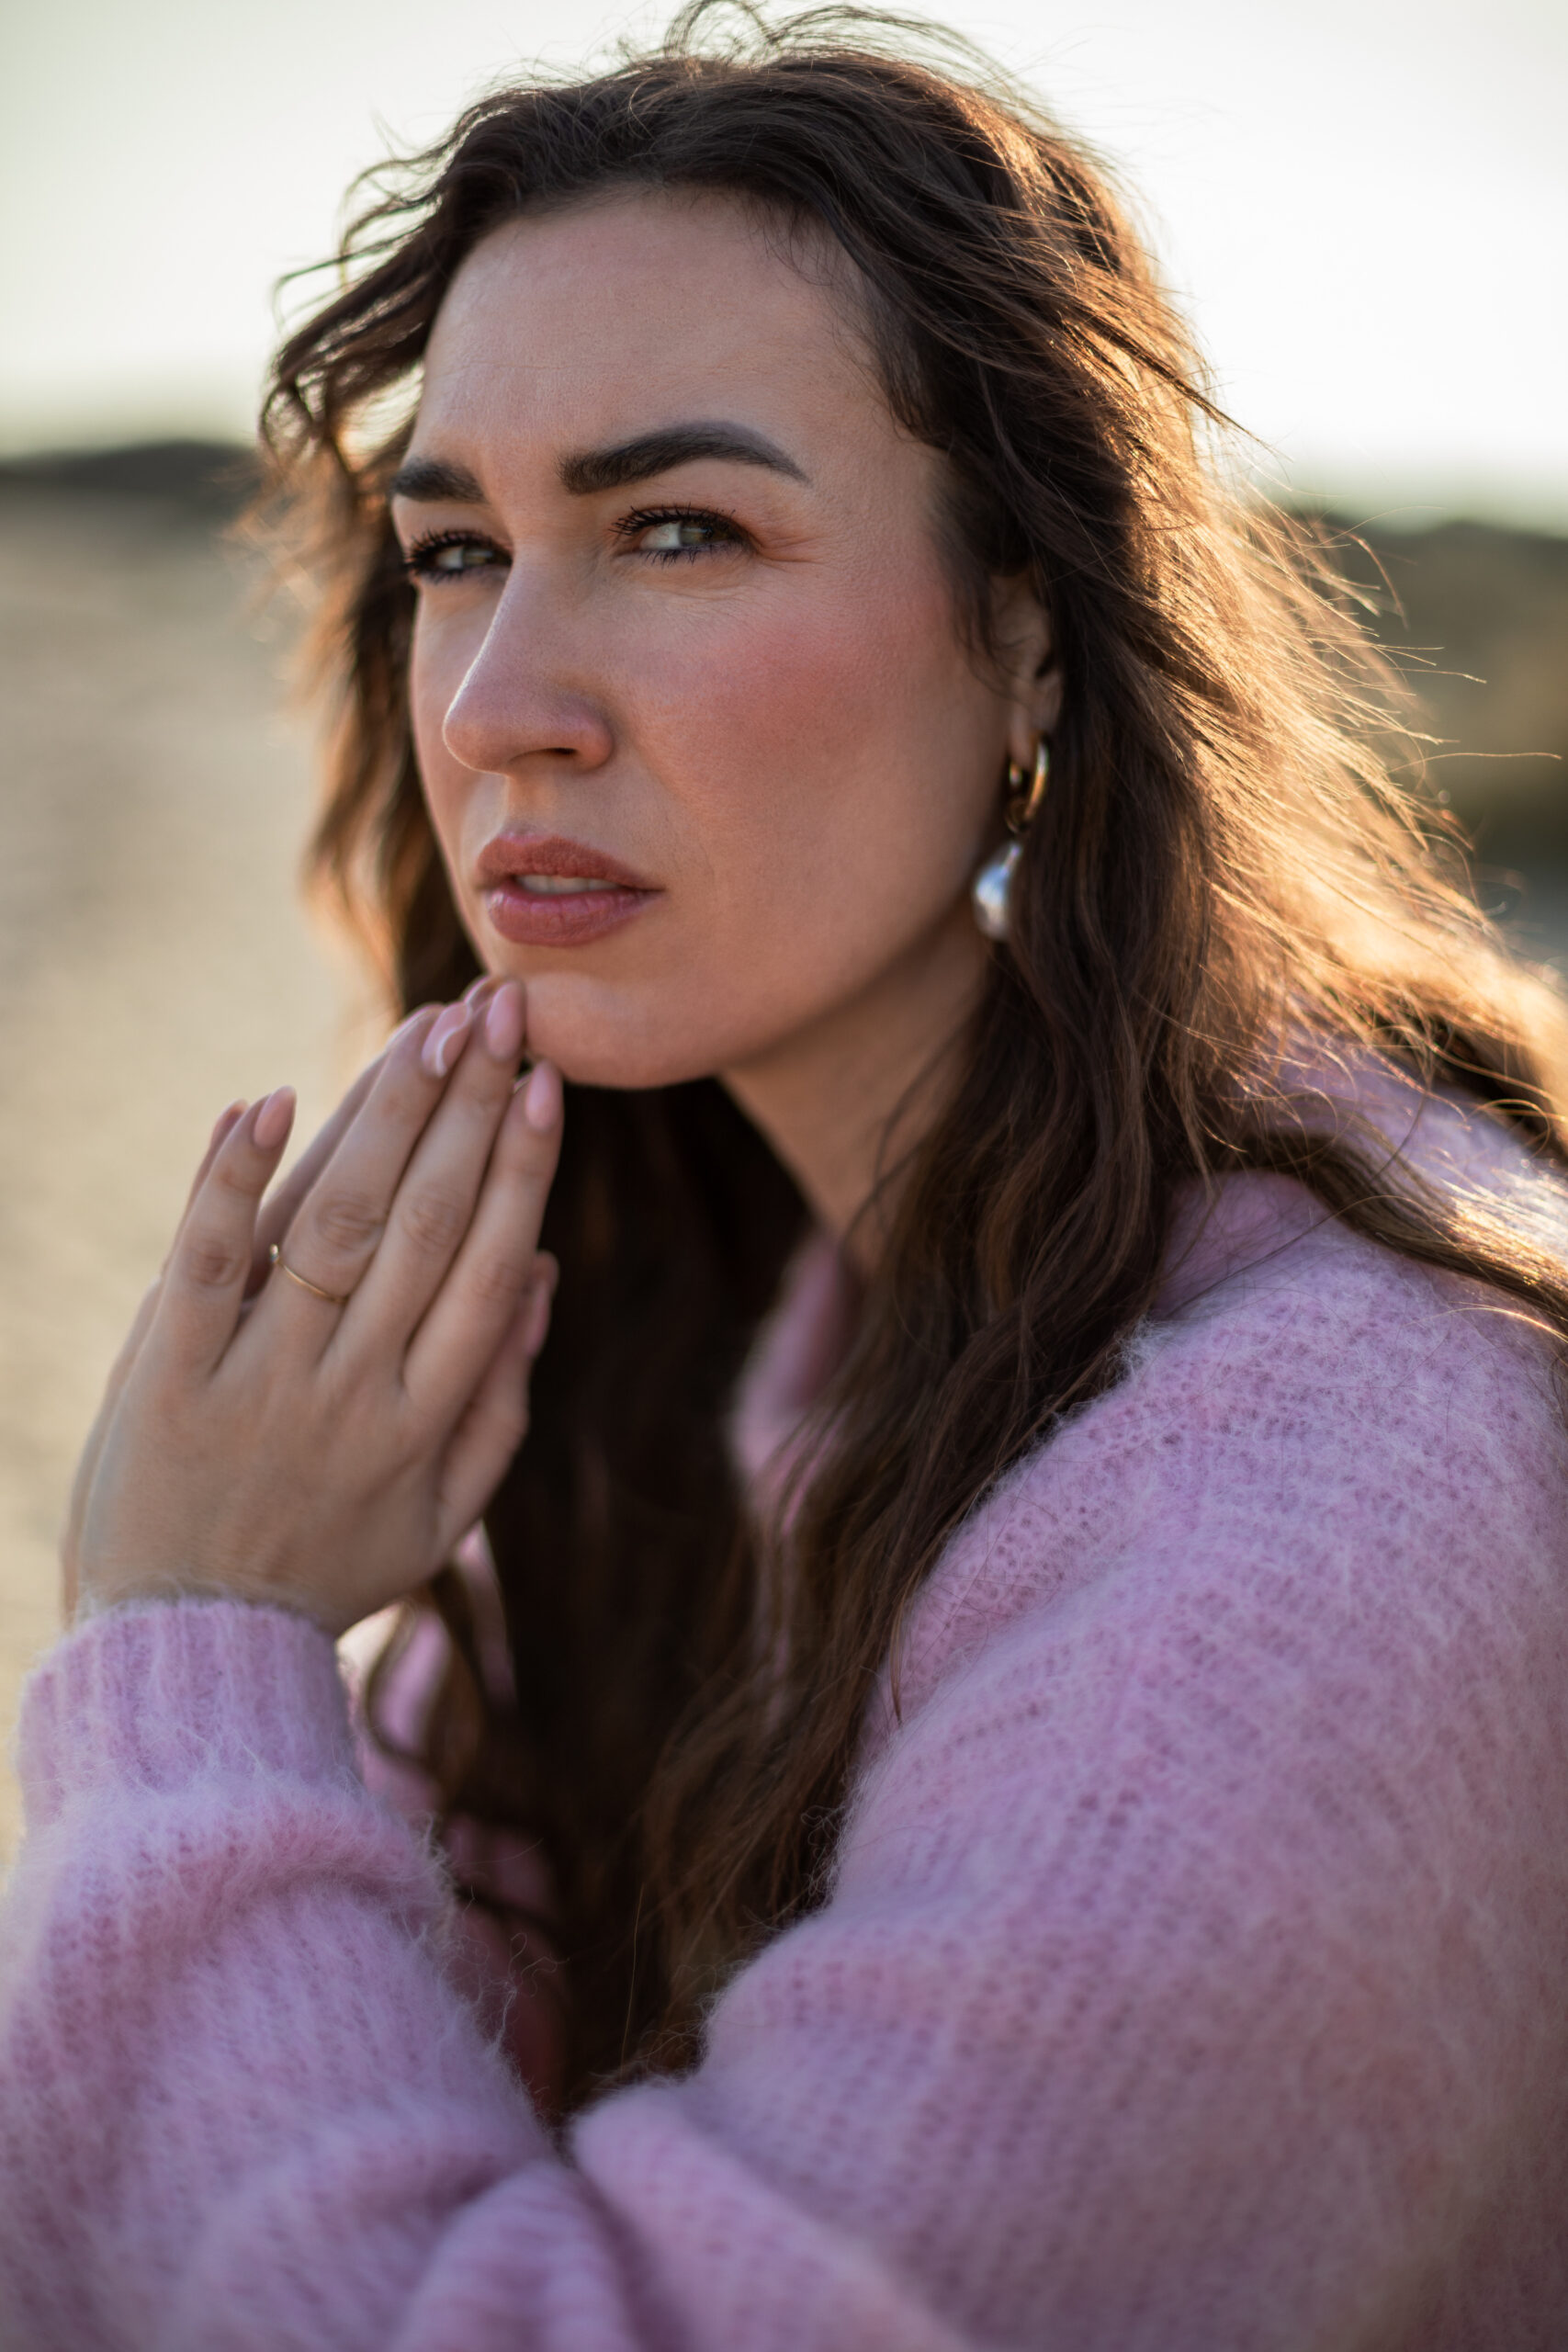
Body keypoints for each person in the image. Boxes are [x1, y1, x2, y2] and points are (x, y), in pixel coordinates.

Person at [3, 8, 1568, 2344]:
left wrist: (189, 1641)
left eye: (679, 530)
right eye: (454, 549)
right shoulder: (700, 1324)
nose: (497, 701)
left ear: (1028, 635)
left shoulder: (1319, 1494)